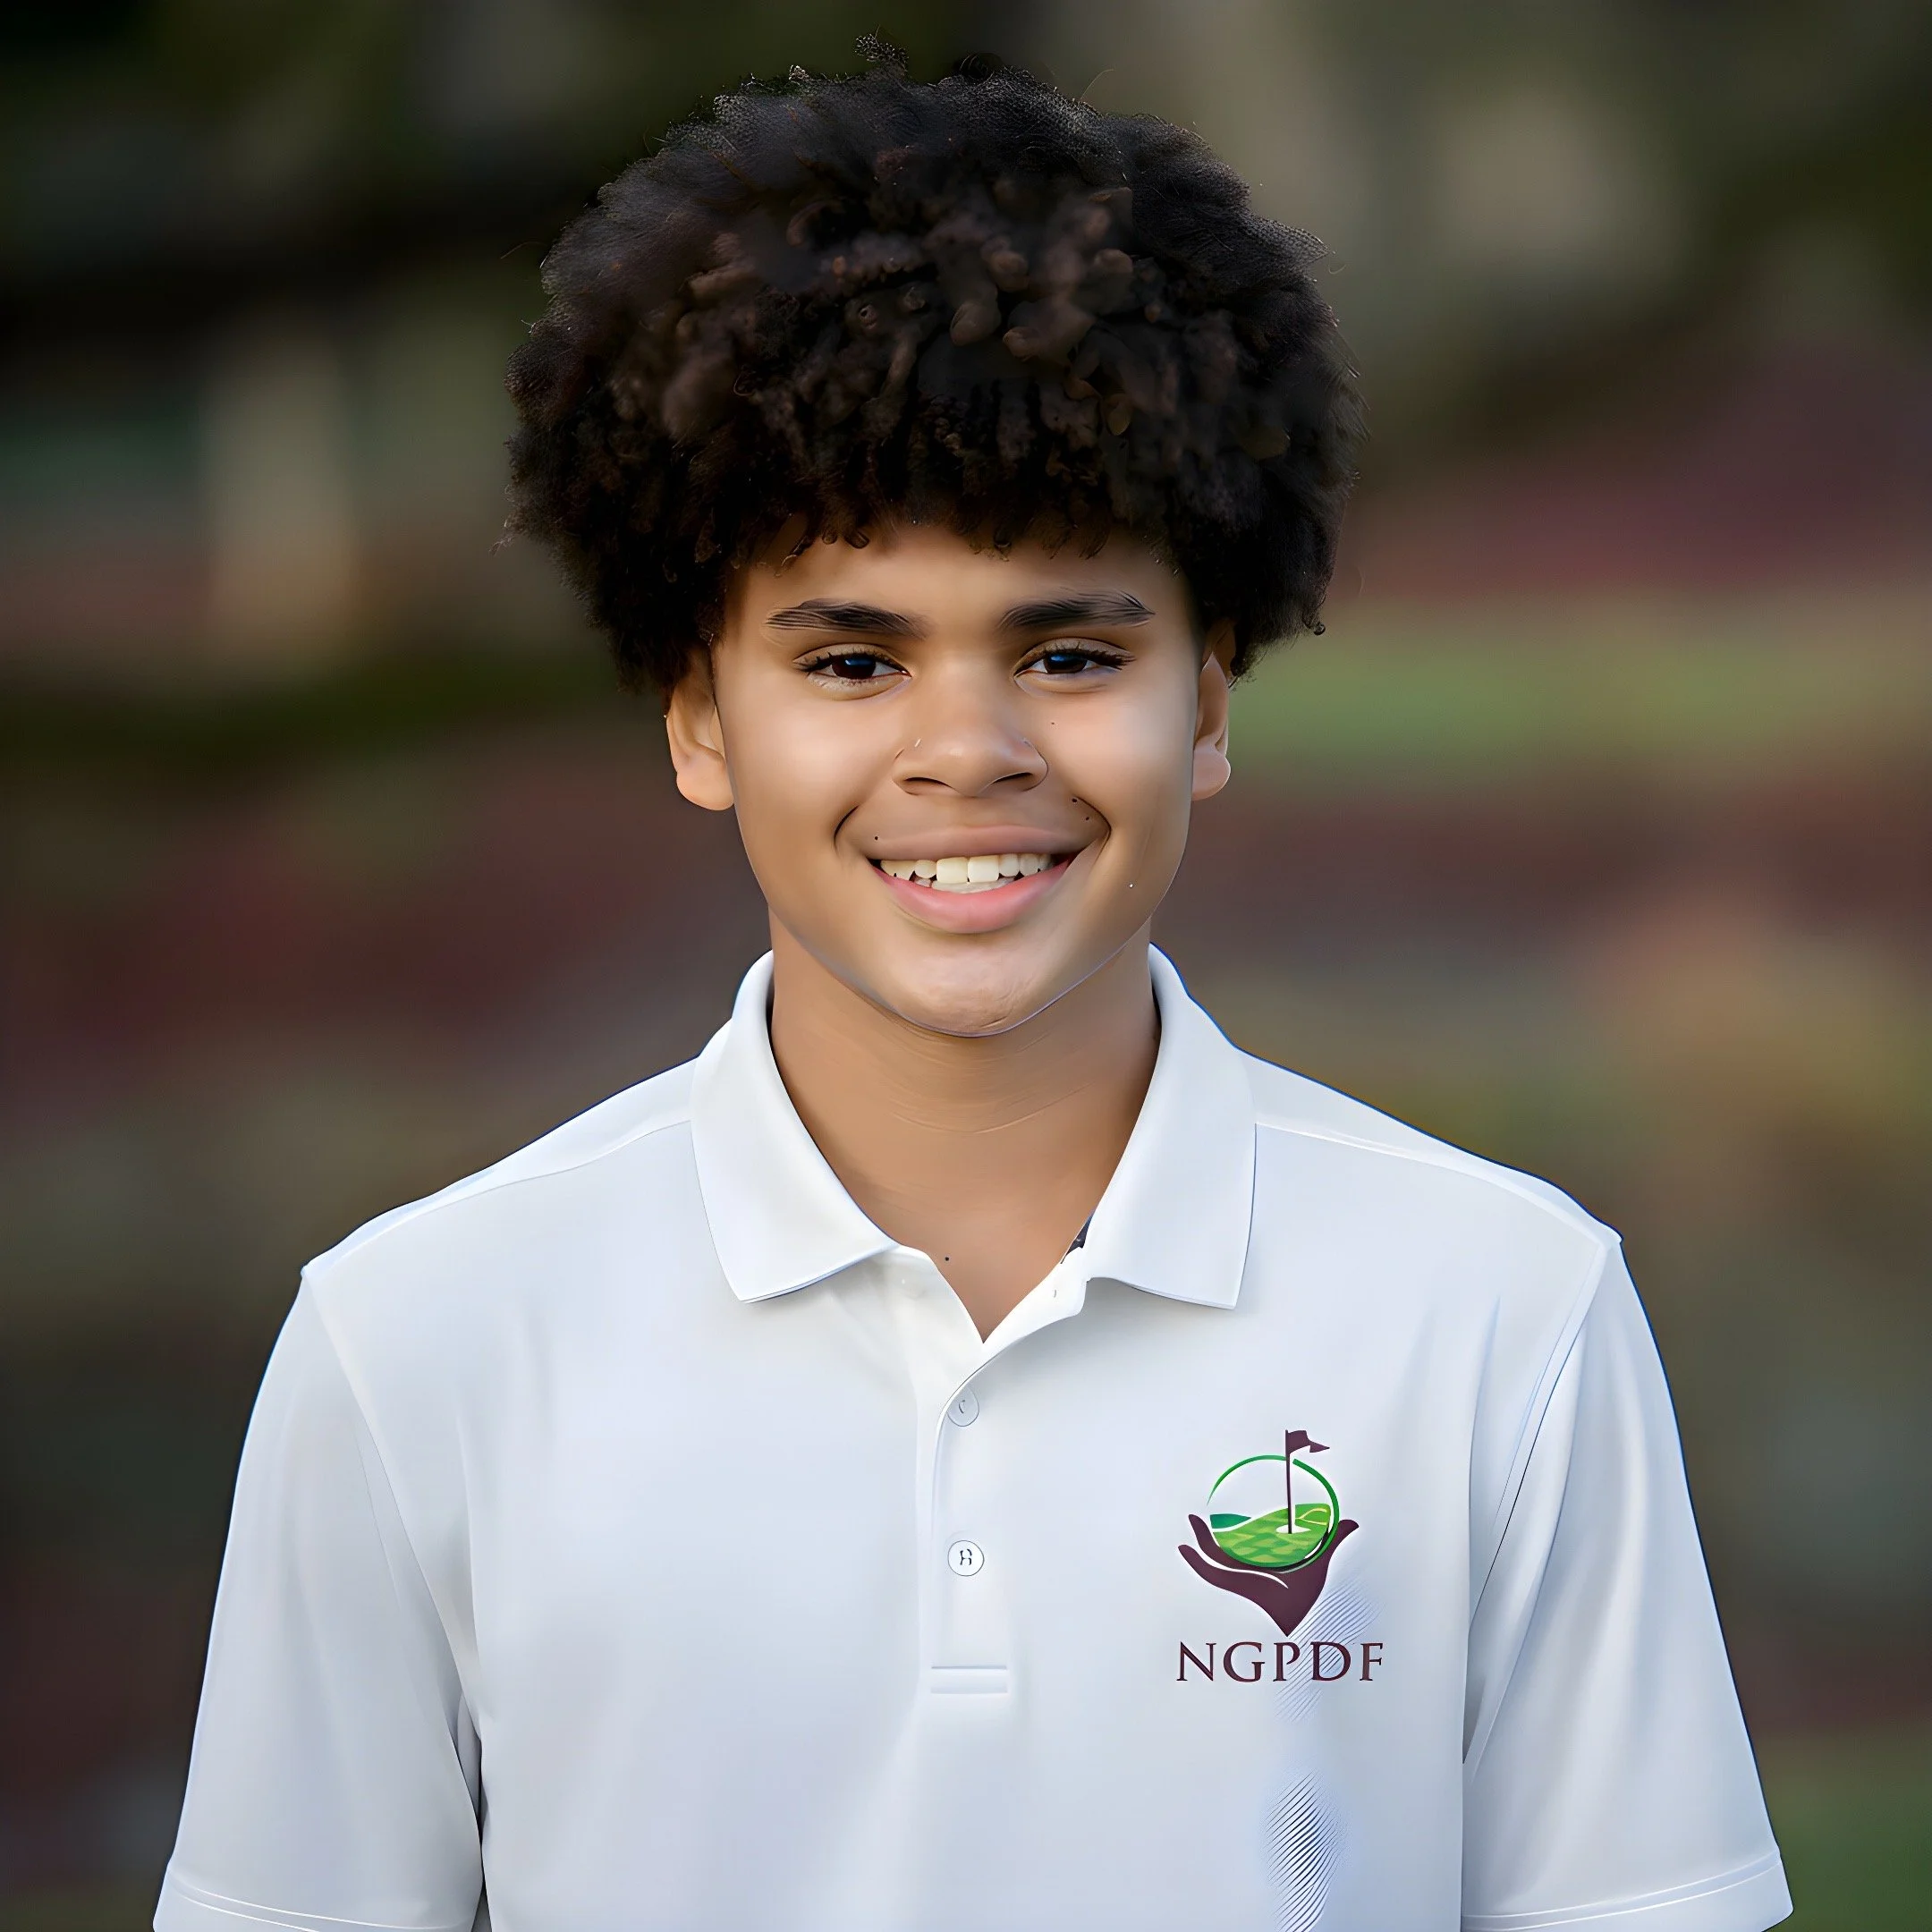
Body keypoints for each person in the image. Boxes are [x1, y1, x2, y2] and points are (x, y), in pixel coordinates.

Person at [157, 47, 1791, 1932]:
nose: (969, 750)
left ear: (1211, 703)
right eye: (853, 664)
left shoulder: (1504, 1314)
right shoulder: (416, 1345)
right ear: (698, 714)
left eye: (1073, 650)